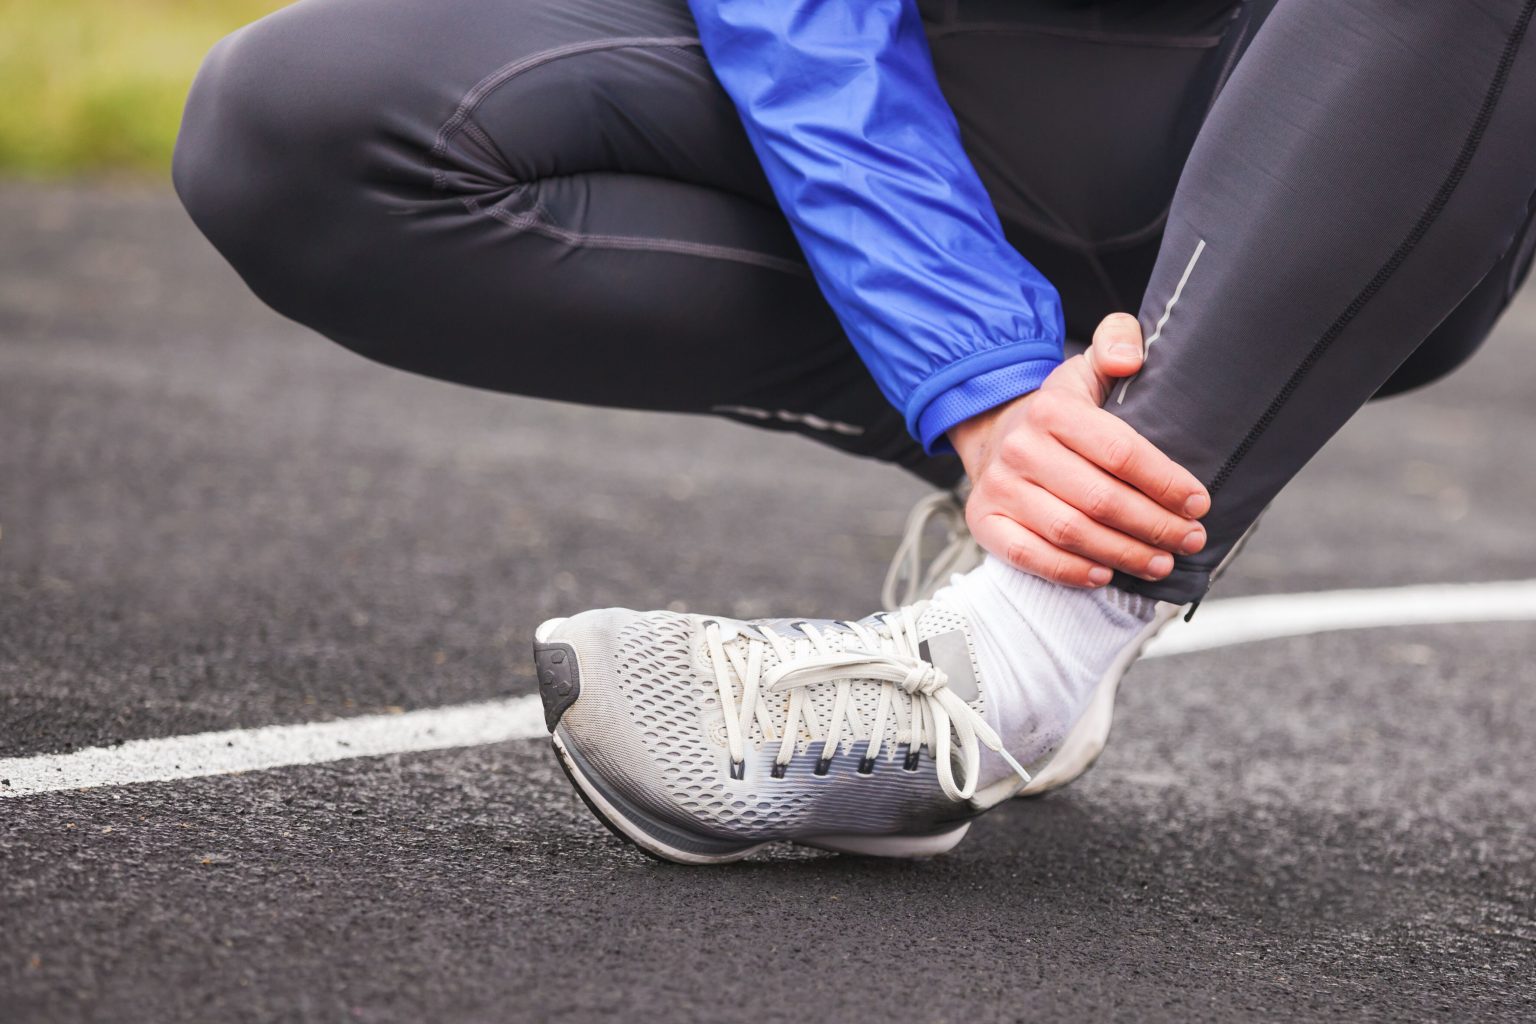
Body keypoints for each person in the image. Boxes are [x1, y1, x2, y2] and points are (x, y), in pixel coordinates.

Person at [173, 0, 1536, 864]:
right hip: (971, 81)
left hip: (1371, 87)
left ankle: (1030, 644)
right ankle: (1042, 491)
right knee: (298, 128)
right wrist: (982, 377)